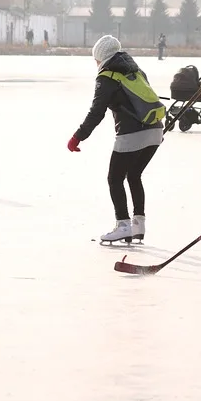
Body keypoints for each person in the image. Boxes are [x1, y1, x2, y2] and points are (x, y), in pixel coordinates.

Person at [68, 35, 165, 245]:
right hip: (155, 130)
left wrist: (78, 137)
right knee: (134, 175)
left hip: (132, 132)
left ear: (101, 57)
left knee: (115, 179)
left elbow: (97, 112)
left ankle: (123, 226)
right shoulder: (136, 70)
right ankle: (138, 225)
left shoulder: (107, 76)